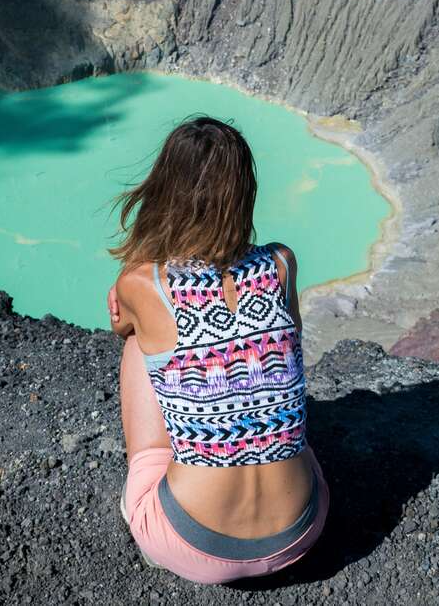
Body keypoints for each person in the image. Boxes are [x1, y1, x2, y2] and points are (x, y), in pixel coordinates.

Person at [105, 114, 330, 585]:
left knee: (139, 344)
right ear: (244, 192)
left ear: (165, 189)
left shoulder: (144, 283)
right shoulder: (281, 263)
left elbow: (120, 323)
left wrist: (137, 299)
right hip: (303, 530)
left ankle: (155, 521)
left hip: (192, 544)